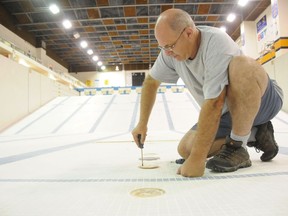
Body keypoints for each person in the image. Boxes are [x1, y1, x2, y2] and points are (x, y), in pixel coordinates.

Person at [131, 8, 283, 177]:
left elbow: (214, 103)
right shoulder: (169, 53)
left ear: (189, 33)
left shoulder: (216, 43)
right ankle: (257, 133)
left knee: (242, 65)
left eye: (170, 46)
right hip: (228, 113)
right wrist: (142, 123)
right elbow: (151, 81)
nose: (167, 53)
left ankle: (237, 146)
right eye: (163, 47)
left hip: (263, 101)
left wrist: (197, 159)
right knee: (185, 149)